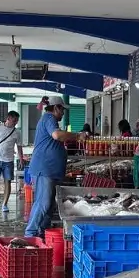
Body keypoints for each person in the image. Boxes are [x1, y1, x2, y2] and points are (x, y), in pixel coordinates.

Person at [25, 95, 89, 237]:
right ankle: (30, 234)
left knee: (49, 205)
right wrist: (77, 136)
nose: (63, 113)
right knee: (43, 203)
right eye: (62, 109)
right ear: (55, 108)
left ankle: (42, 233)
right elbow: (57, 135)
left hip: (50, 170)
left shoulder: (49, 120)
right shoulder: (49, 118)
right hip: (44, 169)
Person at [0, 111, 24, 213]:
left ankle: (4, 204)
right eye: (14, 120)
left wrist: (21, 159)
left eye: (17, 121)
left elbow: (19, 147)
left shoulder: (17, 132)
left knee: (8, 182)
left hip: (8, 161)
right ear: (8, 118)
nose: (15, 123)